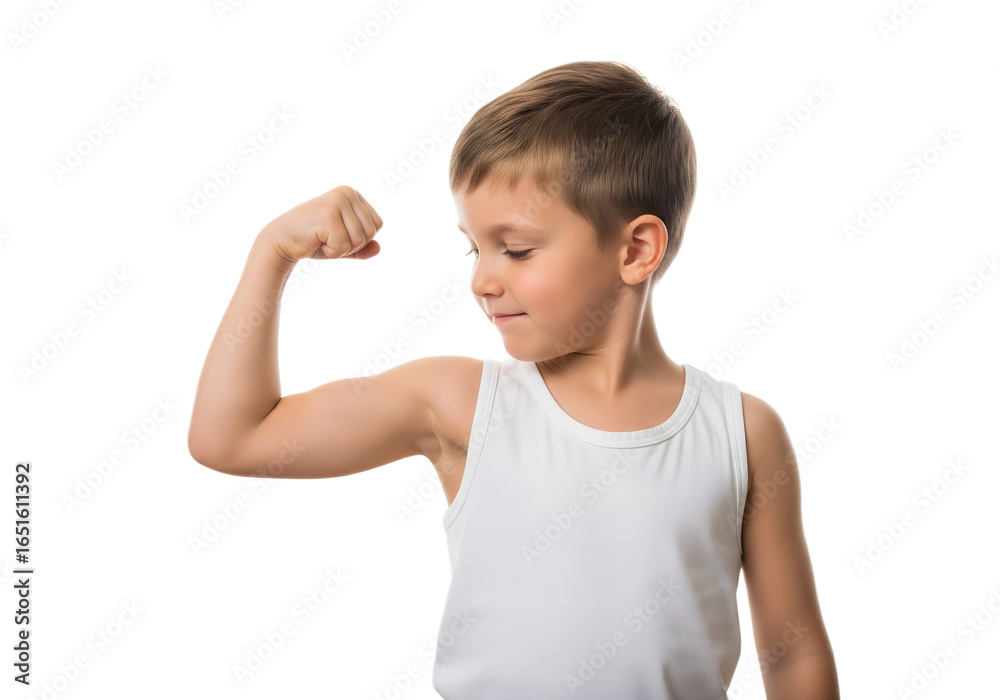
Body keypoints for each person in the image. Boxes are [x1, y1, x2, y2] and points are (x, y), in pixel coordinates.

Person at [188, 60, 839, 699]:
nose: (481, 279)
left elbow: (795, 653)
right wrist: (272, 253)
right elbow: (233, 438)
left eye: (517, 250)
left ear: (636, 250)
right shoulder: (459, 403)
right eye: (475, 247)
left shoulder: (741, 433)